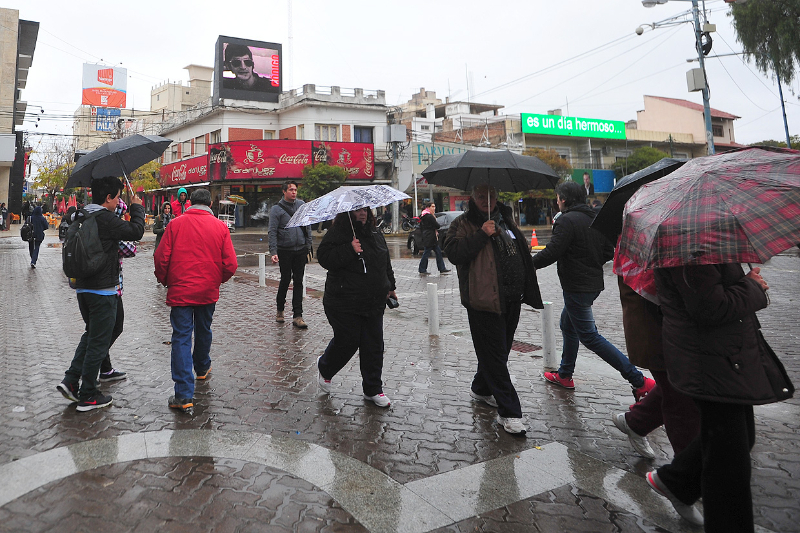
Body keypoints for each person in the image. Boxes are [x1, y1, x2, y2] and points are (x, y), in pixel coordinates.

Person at [647, 264, 793, 530]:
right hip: (709, 361)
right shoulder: (693, 248)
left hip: (723, 356)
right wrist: (752, 286)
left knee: (737, 439)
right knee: (729, 461)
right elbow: (709, 307)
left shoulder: (703, 243)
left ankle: (676, 481)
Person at [533, 181, 655, 400]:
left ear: (564, 199)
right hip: (592, 284)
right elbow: (609, 250)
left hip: (576, 286)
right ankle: (564, 374)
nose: (557, 201)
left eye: (558, 198)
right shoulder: (595, 219)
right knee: (567, 325)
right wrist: (590, 261)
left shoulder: (566, 221)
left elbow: (552, 252)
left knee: (589, 336)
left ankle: (639, 381)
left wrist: (528, 265)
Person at [445, 184, 544, 435]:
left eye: (491, 195)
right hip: (483, 300)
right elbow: (454, 253)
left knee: (498, 351)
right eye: (480, 195)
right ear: (472, 198)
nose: (486, 200)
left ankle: (481, 388)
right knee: (496, 357)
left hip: (512, 299)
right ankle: (509, 411)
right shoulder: (463, 224)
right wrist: (481, 234)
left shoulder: (506, 220)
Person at [56, 177, 145, 412]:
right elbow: (136, 231)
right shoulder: (105, 219)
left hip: (83, 287)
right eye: (117, 197)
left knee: (91, 336)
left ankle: (70, 381)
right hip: (102, 290)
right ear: (108, 198)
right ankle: (88, 395)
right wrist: (136, 207)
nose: (118, 202)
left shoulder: (83, 215)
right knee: (98, 341)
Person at [154, 188, 238, 413]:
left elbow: (161, 258)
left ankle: (183, 394)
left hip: (180, 290)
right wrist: (216, 280)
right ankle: (202, 368)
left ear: (190, 202)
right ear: (210, 204)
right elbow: (230, 264)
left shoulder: (175, 225)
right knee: (204, 329)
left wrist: (165, 280)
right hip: (207, 291)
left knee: (181, 337)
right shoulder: (221, 227)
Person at [612, 274, 700, 459]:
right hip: (659, 328)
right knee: (680, 396)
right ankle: (685, 470)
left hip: (672, 328)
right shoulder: (650, 250)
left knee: (678, 389)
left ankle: (636, 422)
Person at [316, 207, 397, 407]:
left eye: (365, 210)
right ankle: (325, 367)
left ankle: (373, 389)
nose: (362, 214)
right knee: (348, 340)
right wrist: (349, 249)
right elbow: (324, 257)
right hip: (343, 300)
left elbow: (384, 260)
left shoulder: (376, 232)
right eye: (357, 210)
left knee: (374, 345)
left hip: (373, 299)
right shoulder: (339, 232)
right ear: (348, 213)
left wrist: (391, 286)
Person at [268, 181, 312, 328]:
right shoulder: (276, 209)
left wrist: (308, 245)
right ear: (284, 191)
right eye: (291, 190)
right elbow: (272, 231)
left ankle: (298, 315)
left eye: (295, 190)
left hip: (300, 249)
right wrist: (273, 251)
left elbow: (308, 226)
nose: (294, 192)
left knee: (299, 281)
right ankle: (280, 310)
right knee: (285, 279)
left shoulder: (301, 206)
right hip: (285, 250)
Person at [417, 203, 450, 275]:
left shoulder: (423, 215)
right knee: (427, 253)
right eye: (432, 207)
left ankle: (442, 268)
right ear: (428, 208)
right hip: (430, 237)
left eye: (434, 206)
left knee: (438, 252)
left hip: (428, 236)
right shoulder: (429, 216)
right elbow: (437, 226)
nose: (434, 208)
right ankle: (422, 269)